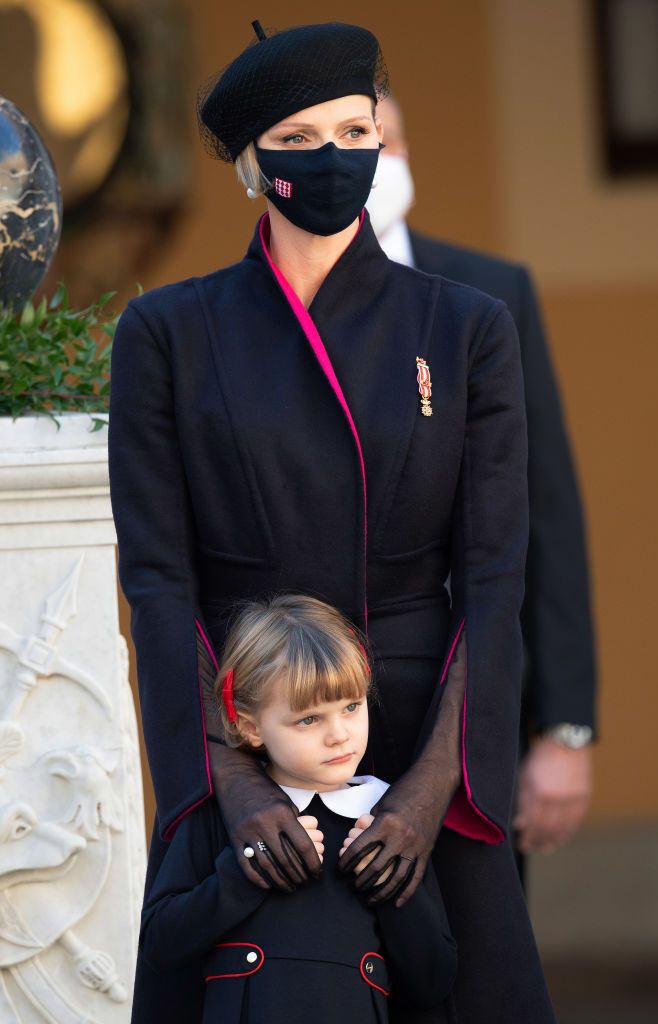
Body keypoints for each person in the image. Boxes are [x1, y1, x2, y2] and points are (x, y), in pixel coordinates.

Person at [109, 20, 557, 1023]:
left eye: (355, 132)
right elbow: (158, 582)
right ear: (252, 164)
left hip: (418, 729)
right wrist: (232, 782)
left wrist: (428, 792)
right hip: (249, 727)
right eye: (300, 140)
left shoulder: (465, 326)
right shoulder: (167, 333)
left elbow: (492, 582)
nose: (334, 159)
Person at [365, 96, 597, 864]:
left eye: (378, 140)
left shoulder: (490, 295)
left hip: (473, 709)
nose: (365, 162)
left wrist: (563, 728)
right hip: (310, 707)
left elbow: (545, 509)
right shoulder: (258, 307)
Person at [139, 594, 457, 1023]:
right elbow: (160, 944)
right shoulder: (221, 814)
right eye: (309, 719)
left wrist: (387, 885)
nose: (339, 734)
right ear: (250, 727)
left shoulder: (388, 821)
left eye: (351, 707)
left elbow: (432, 980)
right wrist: (244, 874)